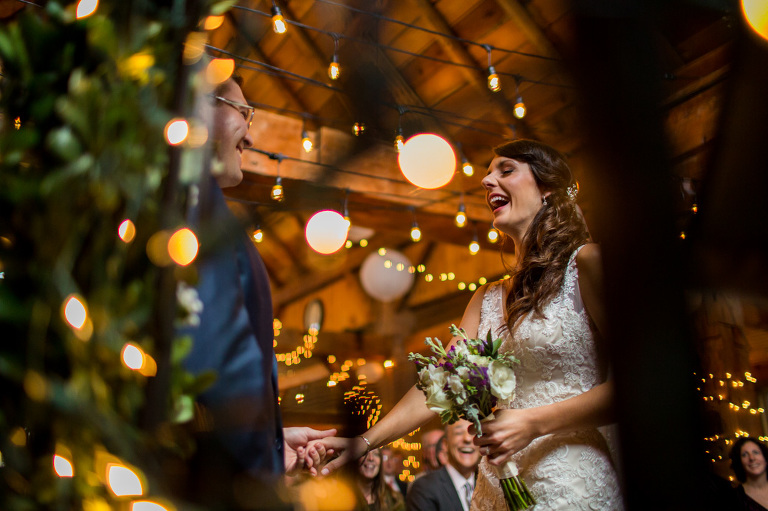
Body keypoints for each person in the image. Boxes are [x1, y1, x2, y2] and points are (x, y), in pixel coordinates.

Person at [313, 139, 623, 510]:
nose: (486, 181)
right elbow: (438, 386)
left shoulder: (587, 265)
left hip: (572, 481)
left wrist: (534, 423)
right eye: (488, 173)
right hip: (495, 486)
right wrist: (362, 442)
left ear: (548, 189)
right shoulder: (486, 298)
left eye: (506, 170)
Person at [178, 75, 332, 505]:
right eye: (243, 113)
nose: (250, 134)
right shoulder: (194, 208)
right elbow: (215, 354)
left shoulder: (204, 205)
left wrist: (274, 441)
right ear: (198, 106)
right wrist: (260, 463)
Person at [406, 420, 480, 511]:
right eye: (459, 433)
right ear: (445, 445)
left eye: (473, 433)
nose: (467, 439)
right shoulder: (424, 488)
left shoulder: (488, 486)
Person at [730, 437, 768, 510]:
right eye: (744, 455)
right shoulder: (735, 498)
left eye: (756, 452)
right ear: (739, 462)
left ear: (765, 458)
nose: (752, 458)